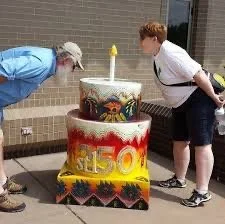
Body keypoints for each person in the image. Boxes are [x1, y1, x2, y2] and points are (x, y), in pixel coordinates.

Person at [139, 21, 225, 207]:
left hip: (198, 100)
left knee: (202, 144)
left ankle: (202, 191)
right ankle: (179, 179)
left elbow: (198, 74)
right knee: (180, 141)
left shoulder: (171, 52)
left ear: (154, 39)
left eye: (142, 39)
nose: (140, 43)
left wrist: (214, 98)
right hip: (180, 104)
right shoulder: (157, 54)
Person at [0, 42, 84, 212]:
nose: (72, 71)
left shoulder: (47, 64)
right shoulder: (41, 62)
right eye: (73, 67)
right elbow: (2, 70)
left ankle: (2, 182)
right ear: (66, 60)